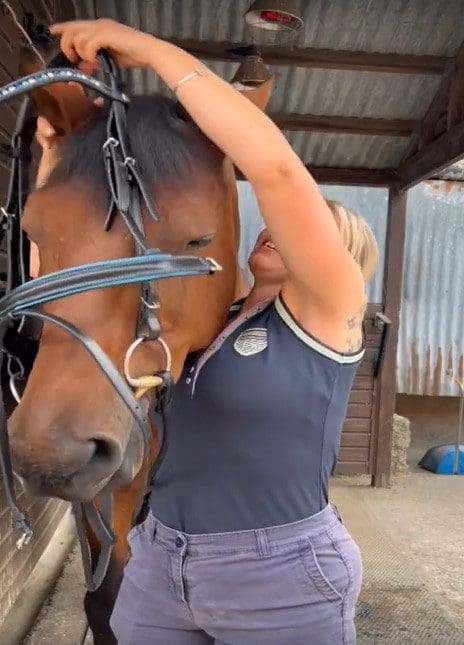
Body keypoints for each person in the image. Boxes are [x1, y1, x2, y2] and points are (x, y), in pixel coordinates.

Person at [44, 19, 379, 645]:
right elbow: (69, 273)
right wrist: (57, 153)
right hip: (159, 564)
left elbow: (275, 172)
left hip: (278, 573)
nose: (281, 226)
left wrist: (147, 49)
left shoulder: (330, 315)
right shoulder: (211, 321)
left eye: (316, 227)